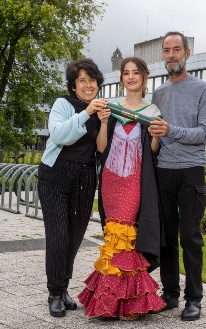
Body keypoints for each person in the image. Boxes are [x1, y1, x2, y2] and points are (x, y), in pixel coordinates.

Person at [78, 57, 166, 319]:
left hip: (135, 180)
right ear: (121, 78)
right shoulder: (111, 107)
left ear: (144, 77)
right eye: (126, 73)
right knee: (113, 236)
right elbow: (102, 149)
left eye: (135, 73)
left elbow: (151, 153)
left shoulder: (152, 112)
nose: (130, 77)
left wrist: (157, 137)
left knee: (126, 235)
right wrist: (104, 122)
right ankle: (110, 301)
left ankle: (124, 302)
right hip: (111, 178)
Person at [148, 31, 206, 321]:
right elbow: (152, 133)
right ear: (163, 55)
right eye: (166, 50)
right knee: (167, 238)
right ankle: (170, 294)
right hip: (164, 171)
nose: (171, 55)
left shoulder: (202, 88)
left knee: (190, 237)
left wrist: (171, 131)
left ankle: (194, 299)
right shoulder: (159, 93)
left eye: (177, 49)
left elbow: (205, 133)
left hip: (191, 171)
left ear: (187, 53)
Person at [38, 58, 106, 317]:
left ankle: (63, 287)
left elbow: (102, 148)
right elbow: (59, 135)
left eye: (91, 80)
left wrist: (104, 121)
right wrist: (87, 113)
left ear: (98, 83)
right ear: (74, 86)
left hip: (85, 178)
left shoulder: (102, 110)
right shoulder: (63, 105)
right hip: (56, 174)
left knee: (75, 237)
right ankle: (54, 293)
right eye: (82, 80)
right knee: (58, 236)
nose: (88, 85)